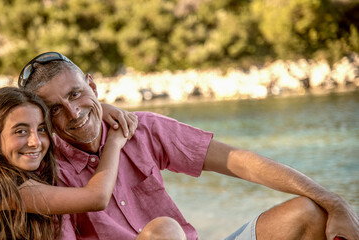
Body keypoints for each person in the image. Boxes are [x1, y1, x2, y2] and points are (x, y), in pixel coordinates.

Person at [18, 52, 359, 240]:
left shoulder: (143, 128)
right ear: (42, 117)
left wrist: (334, 199)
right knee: (163, 231)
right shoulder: (48, 172)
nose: (73, 113)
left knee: (309, 212)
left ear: (92, 84)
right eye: (55, 110)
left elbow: (240, 162)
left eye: (76, 94)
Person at [0, 87, 131, 239]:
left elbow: (62, 127)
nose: (35, 142)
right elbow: (97, 198)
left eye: (41, 129)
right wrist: (114, 143)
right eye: (21, 131)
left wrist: (97, 110)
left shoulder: (19, 173)